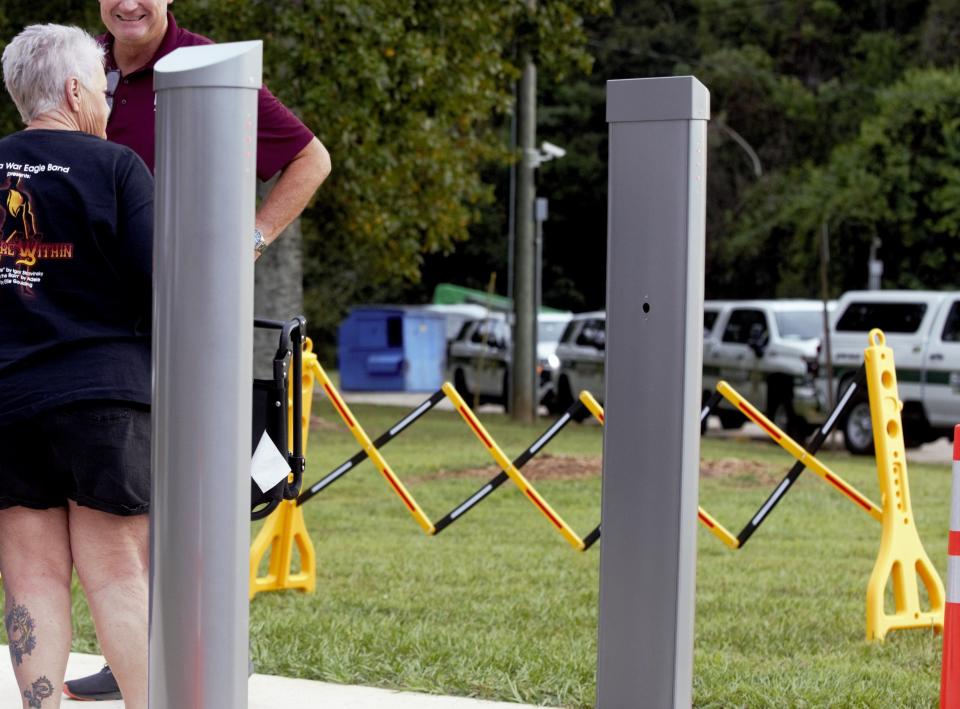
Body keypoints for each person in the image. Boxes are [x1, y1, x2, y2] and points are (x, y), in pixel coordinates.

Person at [63, 0, 331, 701]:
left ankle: (206, 654)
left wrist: (251, 239)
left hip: (180, 319)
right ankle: (140, 649)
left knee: (184, 484)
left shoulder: (202, 66)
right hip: (97, 323)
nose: (130, 3)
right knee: (132, 487)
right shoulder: (82, 68)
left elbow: (310, 158)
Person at [0, 23, 154, 709]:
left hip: (8, 401)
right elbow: (161, 288)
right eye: (98, 87)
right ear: (70, 89)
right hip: (102, 396)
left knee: (30, 578)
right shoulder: (116, 166)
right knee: (117, 572)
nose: (106, 102)